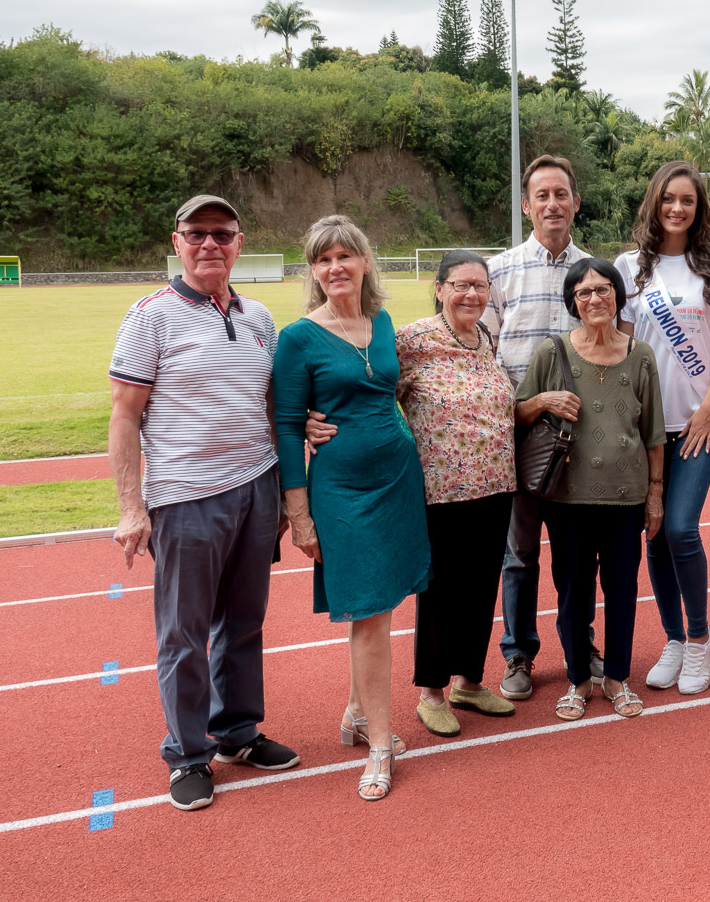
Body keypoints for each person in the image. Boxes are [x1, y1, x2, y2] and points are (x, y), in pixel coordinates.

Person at [110, 194, 300, 813]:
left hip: (256, 487)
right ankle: (189, 753)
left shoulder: (259, 317)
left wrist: (287, 481)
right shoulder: (150, 317)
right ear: (178, 242)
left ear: (240, 243)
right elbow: (124, 415)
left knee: (244, 622)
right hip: (186, 497)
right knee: (184, 633)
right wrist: (131, 507)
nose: (210, 244)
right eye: (197, 234)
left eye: (222, 233)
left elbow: (270, 406)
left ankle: (237, 732)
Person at [274, 215, 431, 800]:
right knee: (369, 611)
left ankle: (357, 714)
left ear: (365, 261)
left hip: (398, 479)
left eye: (345, 256)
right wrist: (299, 515)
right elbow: (287, 427)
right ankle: (380, 746)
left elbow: (390, 389)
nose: (335, 267)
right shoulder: (298, 338)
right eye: (323, 259)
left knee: (379, 608)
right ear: (313, 272)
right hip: (341, 490)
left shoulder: (383, 322)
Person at [616, 160, 710, 696]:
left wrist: (709, 405)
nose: (677, 208)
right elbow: (623, 346)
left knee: (679, 528)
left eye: (687, 200)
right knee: (653, 531)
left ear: (699, 207)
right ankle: (673, 637)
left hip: (698, 422)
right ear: (654, 202)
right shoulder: (629, 267)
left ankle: (699, 638)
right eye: (669, 198)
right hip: (646, 424)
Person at [515, 258, 665, 722]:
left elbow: (653, 432)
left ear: (618, 295)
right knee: (573, 594)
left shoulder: (641, 354)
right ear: (572, 302)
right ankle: (579, 678)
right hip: (568, 499)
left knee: (622, 591)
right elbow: (517, 412)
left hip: (626, 497)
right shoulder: (552, 351)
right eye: (584, 292)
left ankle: (617, 677)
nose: (595, 299)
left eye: (603, 289)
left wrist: (655, 494)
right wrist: (543, 400)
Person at [482, 154, 597, 702]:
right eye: (541, 196)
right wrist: (524, 409)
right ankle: (518, 652)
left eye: (561, 194)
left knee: (577, 556)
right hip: (520, 437)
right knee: (520, 554)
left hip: (582, 438)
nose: (552, 204)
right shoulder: (498, 272)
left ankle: (581, 646)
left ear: (576, 202)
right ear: (526, 205)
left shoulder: (595, 272)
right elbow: (480, 356)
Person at [395, 251, 519, 737]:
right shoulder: (412, 339)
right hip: (442, 490)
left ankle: (469, 681)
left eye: (480, 286)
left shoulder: (485, 336)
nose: (471, 294)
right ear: (439, 289)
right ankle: (432, 691)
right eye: (461, 285)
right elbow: (372, 394)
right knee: (442, 592)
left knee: (481, 586)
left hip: (496, 485)